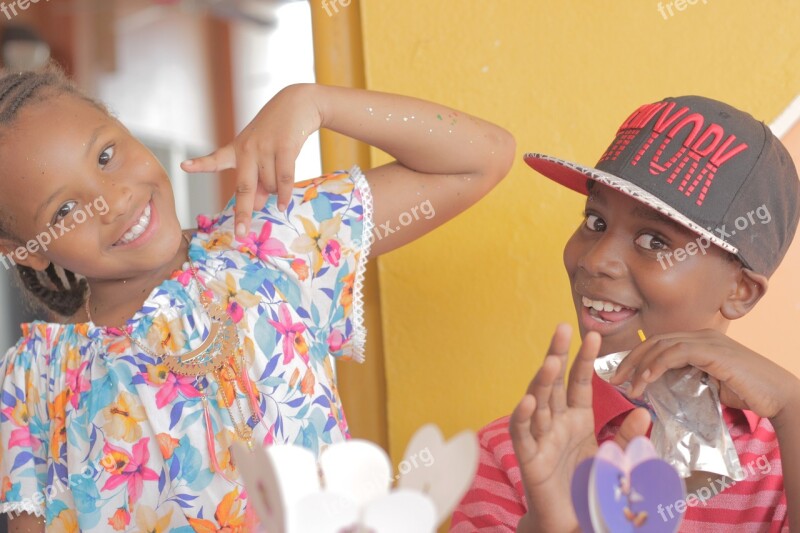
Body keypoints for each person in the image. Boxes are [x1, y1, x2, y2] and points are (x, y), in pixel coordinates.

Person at [0, 65, 515, 531]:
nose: (111, 202)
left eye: (106, 155)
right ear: (27, 251)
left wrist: (315, 102)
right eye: (65, 209)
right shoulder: (32, 378)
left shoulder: (275, 244)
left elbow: (481, 158)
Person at [452, 95, 800, 532]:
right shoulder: (516, 452)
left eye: (655, 241)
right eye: (595, 221)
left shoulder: (781, 460)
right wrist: (550, 526)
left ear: (741, 291)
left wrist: (792, 406)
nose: (596, 260)